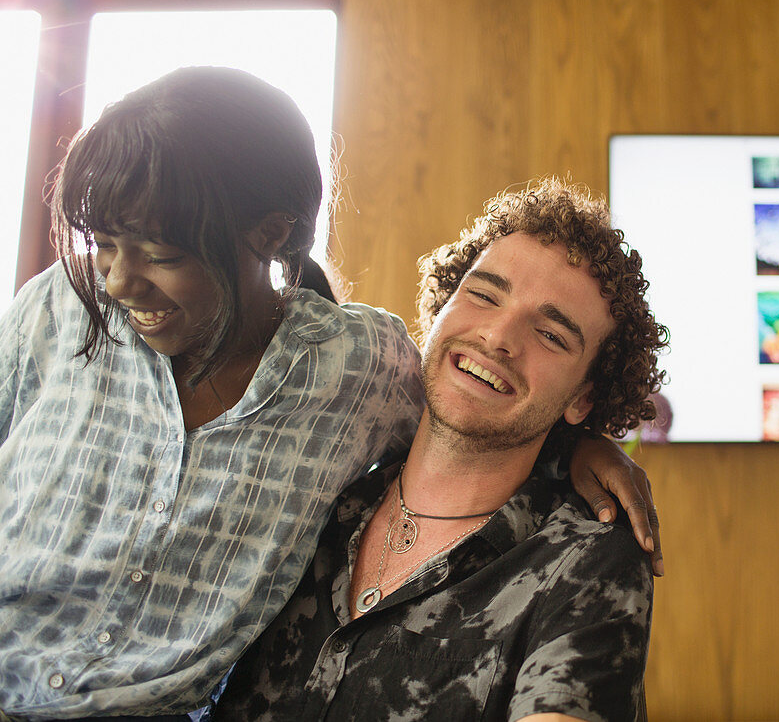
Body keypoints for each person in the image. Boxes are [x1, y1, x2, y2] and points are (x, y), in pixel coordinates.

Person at [0, 68, 658, 720]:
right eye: (483, 295)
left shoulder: (357, 369)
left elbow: (486, 406)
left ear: (268, 233)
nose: (117, 280)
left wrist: (582, 440)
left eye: (162, 254)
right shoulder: (60, 308)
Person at [214, 176, 668, 721]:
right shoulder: (319, 498)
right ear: (441, 307)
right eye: (482, 295)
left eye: (551, 335)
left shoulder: (582, 560)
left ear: (584, 397)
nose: (498, 336)